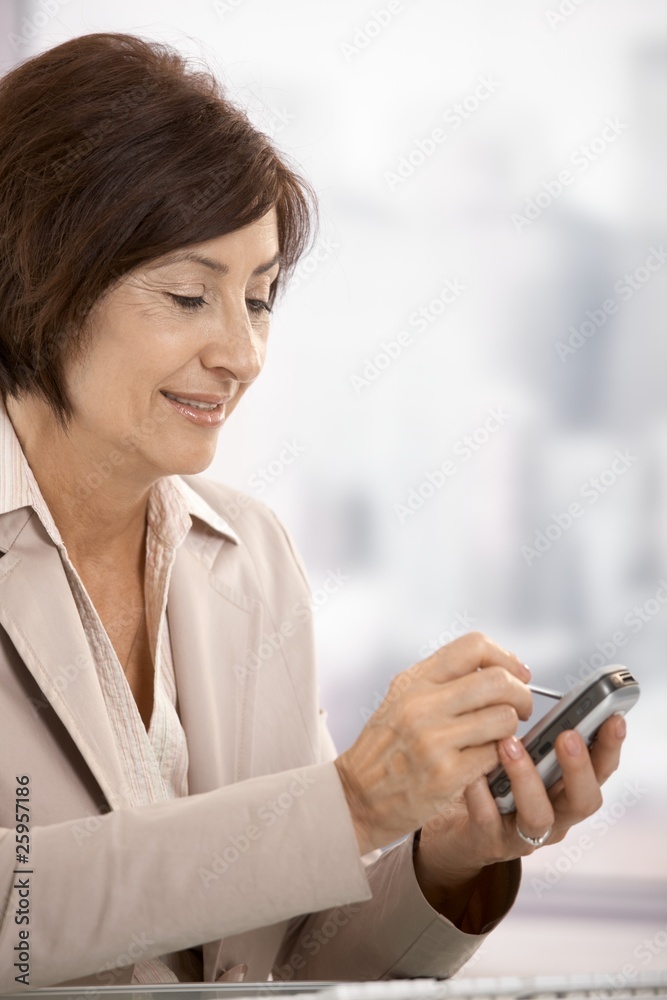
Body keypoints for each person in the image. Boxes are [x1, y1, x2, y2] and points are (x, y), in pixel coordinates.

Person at [0, 32, 625, 989]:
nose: (242, 355)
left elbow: (280, 948)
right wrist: (349, 805)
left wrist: (447, 859)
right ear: (38, 281)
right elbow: (19, 913)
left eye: (258, 300)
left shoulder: (248, 554)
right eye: (188, 295)